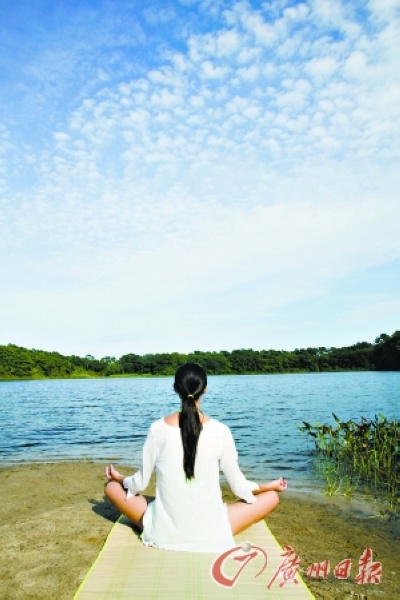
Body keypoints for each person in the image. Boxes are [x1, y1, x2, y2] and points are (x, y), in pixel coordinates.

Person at [105, 363, 287, 552]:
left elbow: (139, 484)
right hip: (211, 534)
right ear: (205, 389)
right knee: (271, 497)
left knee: (111, 488)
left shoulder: (157, 429)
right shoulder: (221, 431)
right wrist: (269, 486)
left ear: (175, 388)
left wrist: (119, 479)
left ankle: (162, 526)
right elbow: (240, 489)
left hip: (164, 534)